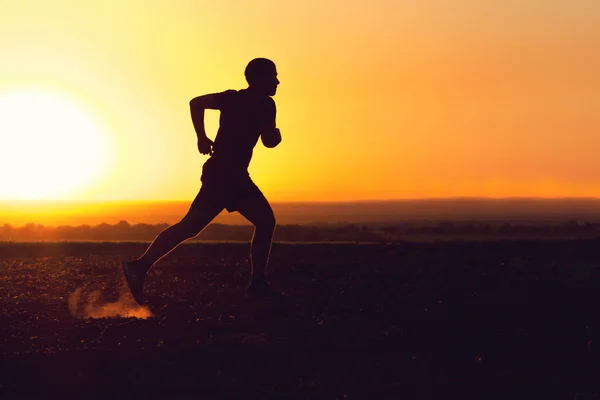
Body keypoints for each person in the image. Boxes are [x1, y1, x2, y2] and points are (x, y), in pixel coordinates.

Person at [122, 58, 283, 305]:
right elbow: (269, 141)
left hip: (225, 172)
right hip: (229, 176)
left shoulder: (232, 98)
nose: (277, 81)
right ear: (260, 79)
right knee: (262, 221)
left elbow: (196, 103)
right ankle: (257, 286)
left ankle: (139, 266)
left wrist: (201, 137)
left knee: (192, 226)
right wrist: (276, 135)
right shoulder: (265, 105)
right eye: (273, 76)